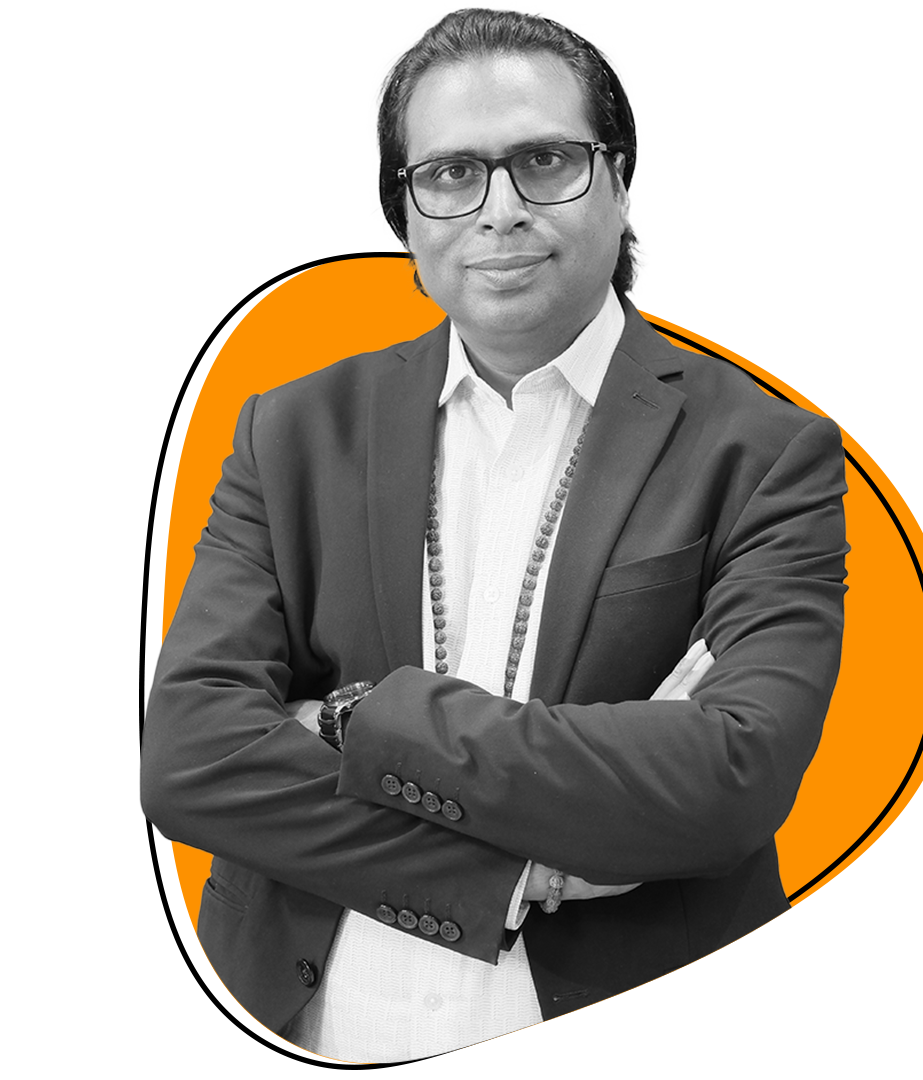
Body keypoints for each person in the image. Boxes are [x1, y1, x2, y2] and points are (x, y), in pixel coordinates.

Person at [141, 4, 849, 1063]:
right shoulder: (290, 430)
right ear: (404, 212)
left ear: (619, 182)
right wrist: (513, 870)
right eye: (451, 174)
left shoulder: (765, 450)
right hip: (303, 1012)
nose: (501, 211)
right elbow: (188, 757)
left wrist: (360, 718)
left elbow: (732, 781)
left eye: (546, 161)